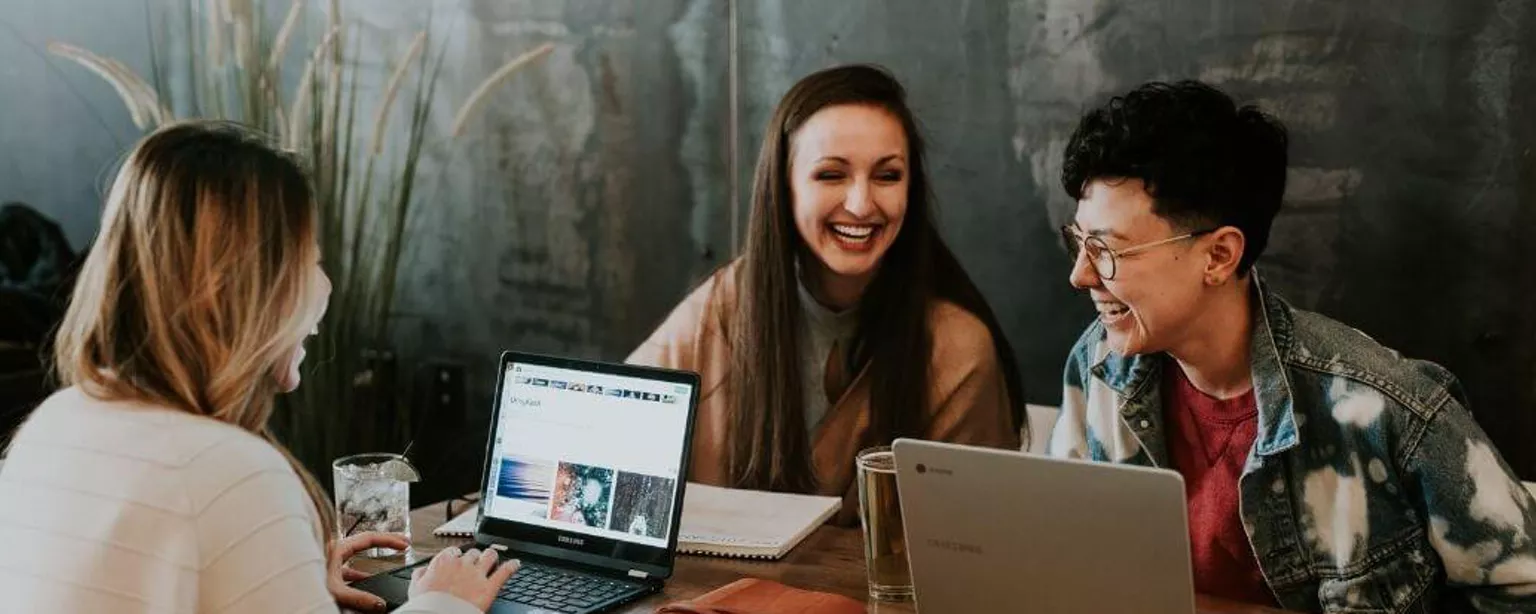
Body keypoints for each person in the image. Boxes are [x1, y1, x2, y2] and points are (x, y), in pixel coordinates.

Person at [1048, 80, 1536, 612]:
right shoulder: (1098, 366)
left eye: (1107, 250)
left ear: (1218, 256)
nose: (1080, 275)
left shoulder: (1388, 411)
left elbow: (1521, 593)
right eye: (1079, 241)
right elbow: (1070, 555)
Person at [0, 121, 518, 614]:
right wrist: (445, 600)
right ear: (243, 290)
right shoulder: (229, 472)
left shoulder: (54, 422)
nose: (325, 289)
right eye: (310, 262)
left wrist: (283, 572)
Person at [629, 64, 1022, 521]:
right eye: (831, 175)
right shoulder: (720, 308)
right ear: (784, 186)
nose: (860, 204)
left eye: (888, 176)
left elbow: (976, 544)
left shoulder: (957, 349)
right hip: (716, 592)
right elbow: (608, 439)